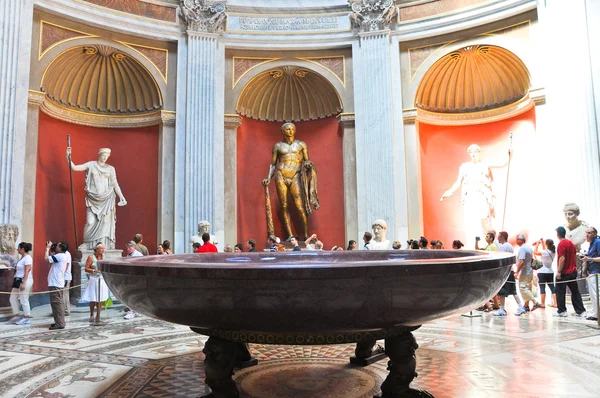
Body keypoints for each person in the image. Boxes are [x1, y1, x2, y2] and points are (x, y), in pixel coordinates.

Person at [440, 144, 509, 248]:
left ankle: (486, 244)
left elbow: (502, 164)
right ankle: (474, 245)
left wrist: (508, 154)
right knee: (471, 222)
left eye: (475, 152)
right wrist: (450, 191)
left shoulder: (484, 164)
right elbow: (458, 181)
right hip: (469, 197)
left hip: (481, 196)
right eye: (471, 152)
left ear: (479, 152)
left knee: (484, 219)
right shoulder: (464, 167)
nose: (473, 154)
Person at [262, 122, 319, 240]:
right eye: (287, 129)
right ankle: (290, 235)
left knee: (300, 207)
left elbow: (307, 160)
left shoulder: (301, 144)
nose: (290, 131)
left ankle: (305, 234)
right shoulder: (277, 146)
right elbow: (273, 165)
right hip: (281, 175)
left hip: (295, 175)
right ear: (283, 131)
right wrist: (268, 178)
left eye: (292, 128)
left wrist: (308, 165)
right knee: (284, 206)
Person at [67, 147, 127, 250]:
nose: (105, 158)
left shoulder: (111, 169)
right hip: (93, 198)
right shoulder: (91, 165)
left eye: (107, 156)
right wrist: (68, 156)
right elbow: (75, 168)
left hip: (107, 198)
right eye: (103, 155)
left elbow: (115, 184)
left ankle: (103, 245)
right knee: (90, 222)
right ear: (99, 155)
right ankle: (87, 243)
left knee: (105, 223)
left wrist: (122, 197)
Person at [554, 226, 586, 317]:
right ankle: (580, 310)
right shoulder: (571, 243)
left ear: (558, 234)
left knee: (560, 291)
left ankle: (562, 311)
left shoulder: (561, 244)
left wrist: (559, 271)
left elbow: (562, 258)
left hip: (564, 272)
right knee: (575, 291)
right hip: (572, 272)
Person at [82, 243, 109, 324]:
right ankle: (91, 314)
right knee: (93, 297)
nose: (103, 250)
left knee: (101, 297)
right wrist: (94, 270)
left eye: (103, 248)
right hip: (94, 279)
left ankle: (98, 315)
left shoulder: (104, 257)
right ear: (96, 249)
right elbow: (86, 268)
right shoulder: (91, 257)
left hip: (102, 279)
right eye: (101, 248)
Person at [8, 242, 34, 325]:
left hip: (24, 280)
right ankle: (16, 315)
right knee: (12, 298)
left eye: (18, 248)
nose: (17, 249)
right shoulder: (21, 258)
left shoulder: (28, 258)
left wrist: (24, 283)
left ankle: (27, 317)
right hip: (17, 280)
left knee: (23, 299)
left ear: (22, 249)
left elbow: (27, 270)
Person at [515, 234, 542, 312]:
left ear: (521, 240)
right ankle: (526, 306)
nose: (516, 241)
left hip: (524, 272)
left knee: (523, 288)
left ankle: (535, 302)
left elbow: (521, 261)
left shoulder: (522, 249)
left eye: (517, 239)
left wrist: (516, 272)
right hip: (529, 271)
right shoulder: (528, 248)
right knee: (527, 288)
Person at [45, 241, 67, 330]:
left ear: (61, 248)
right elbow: (51, 259)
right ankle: (59, 321)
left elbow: (46, 259)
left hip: (56, 283)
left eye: (57, 246)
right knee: (56, 303)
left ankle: (60, 323)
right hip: (57, 282)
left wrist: (47, 248)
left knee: (57, 303)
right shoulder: (61, 256)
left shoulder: (61, 256)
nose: (56, 246)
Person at [582, 227, 600, 321]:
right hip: (592, 272)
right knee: (593, 295)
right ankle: (596, 313)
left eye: (589, 233)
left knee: (596, 294)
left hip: (596, 273)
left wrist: (589, 259)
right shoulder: (592, 243)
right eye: (586, 233)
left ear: (594, 234)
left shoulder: (597, 242)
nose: (587, 235)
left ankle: (598, 314)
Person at [533, 238, 557, 308]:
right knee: (552, 288)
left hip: (542, 272)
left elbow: (535, 252)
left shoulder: (544, 252)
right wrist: (543, 244)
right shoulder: (553, 252)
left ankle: (542, 303)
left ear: (547, 244)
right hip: (550, 271)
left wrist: (537, 244)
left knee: (542, 288)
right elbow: (545, 251)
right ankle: (555, 303)